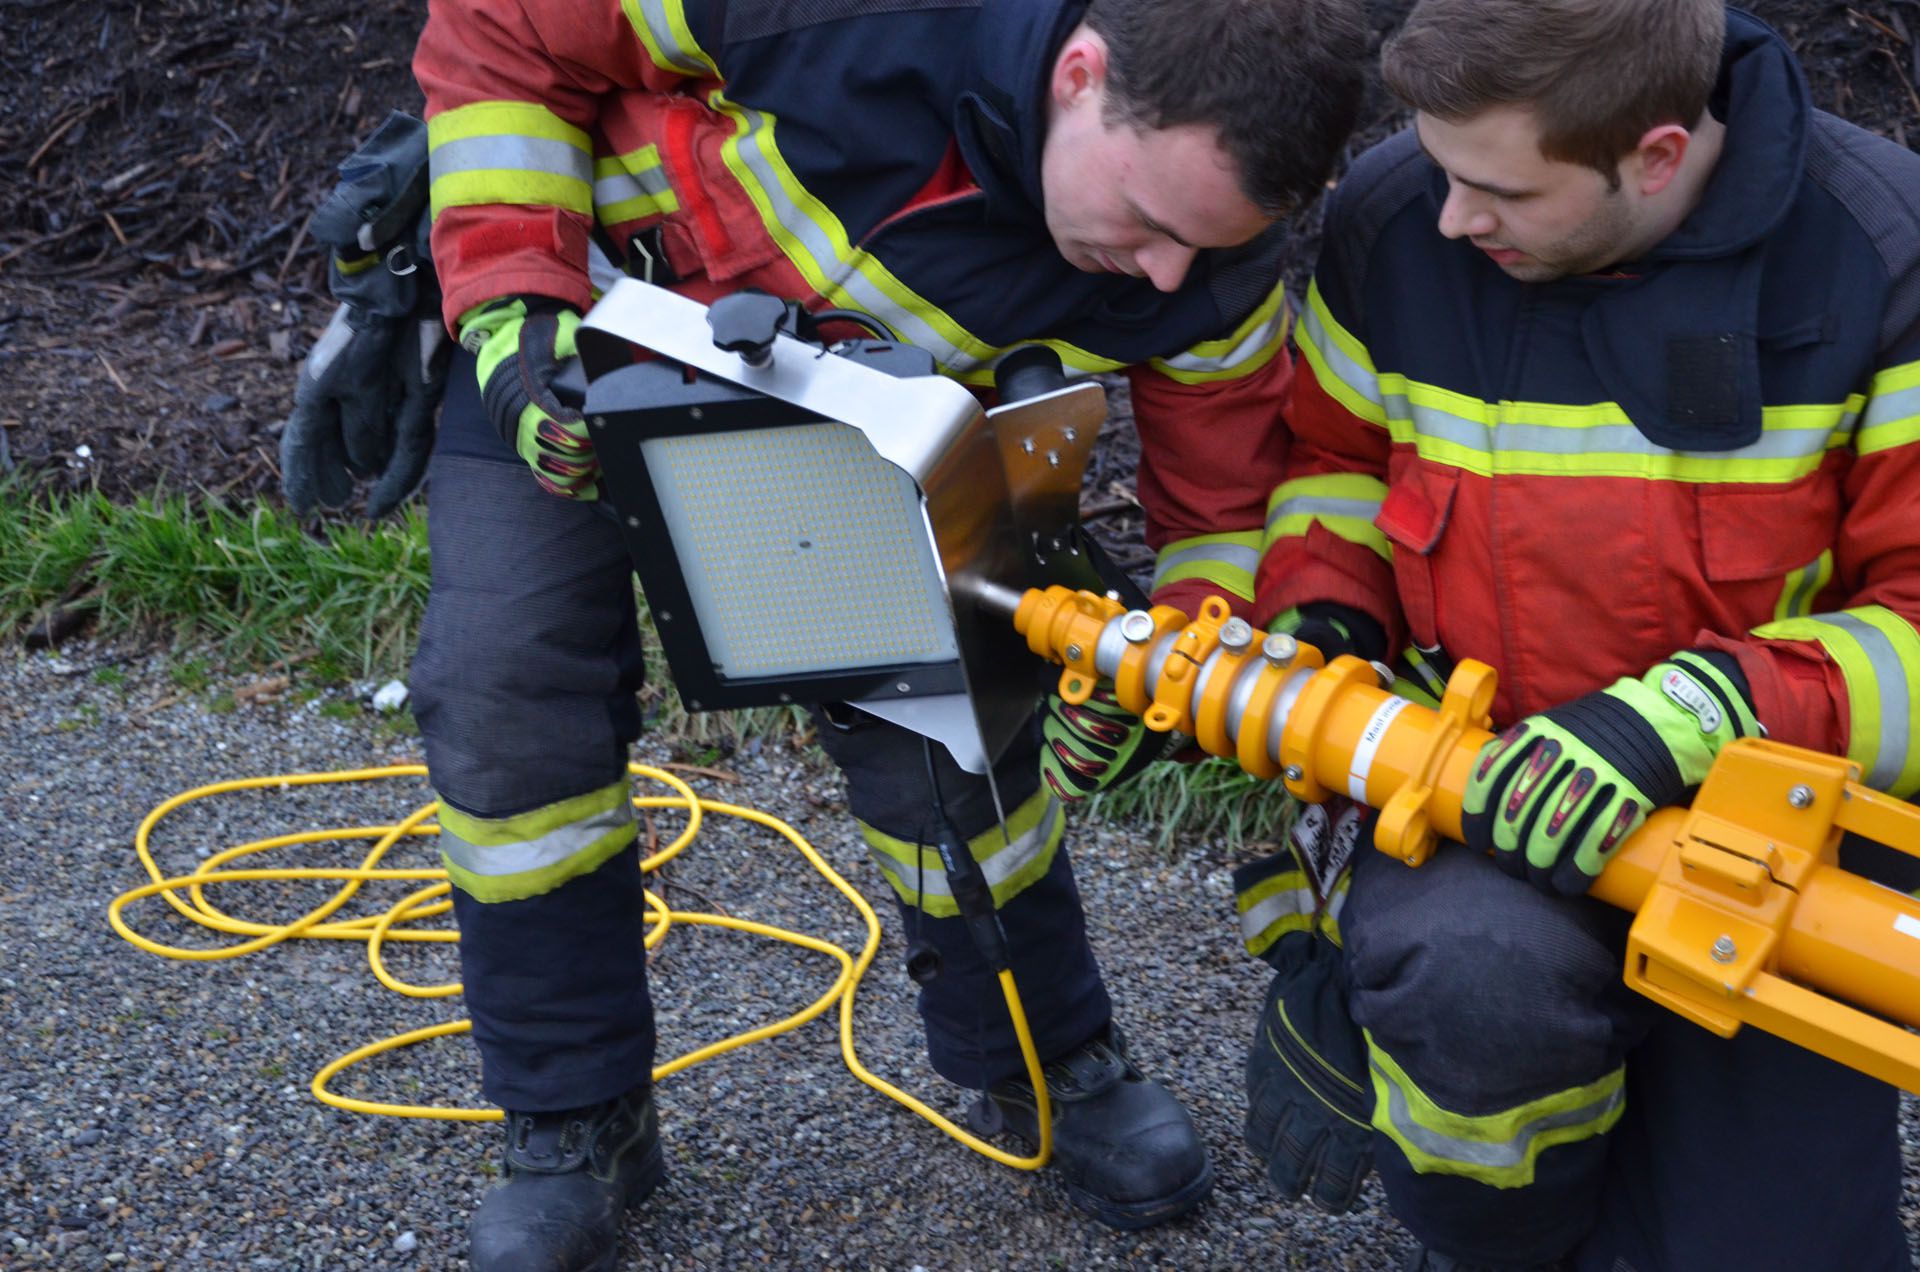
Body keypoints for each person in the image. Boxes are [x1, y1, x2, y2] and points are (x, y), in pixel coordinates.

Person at [277, 2, 1367, 1268]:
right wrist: (514, 304)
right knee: (505, 689)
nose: (1168, 272)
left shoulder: (1215, 263)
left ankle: (1042, 1057)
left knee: (948, 728)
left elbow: (1226, 511)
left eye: (1207, 245)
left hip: (847, 419)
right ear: (1082, 76)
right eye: (1156, 223)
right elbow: (503, 30)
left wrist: (1171, 663)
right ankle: (575, 1117)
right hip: (590, 337)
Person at [1240, 1, 1920, 1269]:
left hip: (1773, 845)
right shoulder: (1398, 220)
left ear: (1656, 156)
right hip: (1483, 813)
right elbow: (1336, 462)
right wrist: (1326, 613)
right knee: (1470, 1003)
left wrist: (1692, 716)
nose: (1453, 219)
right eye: (1440, 169)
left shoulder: (1878, 251)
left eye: (1498, 189)